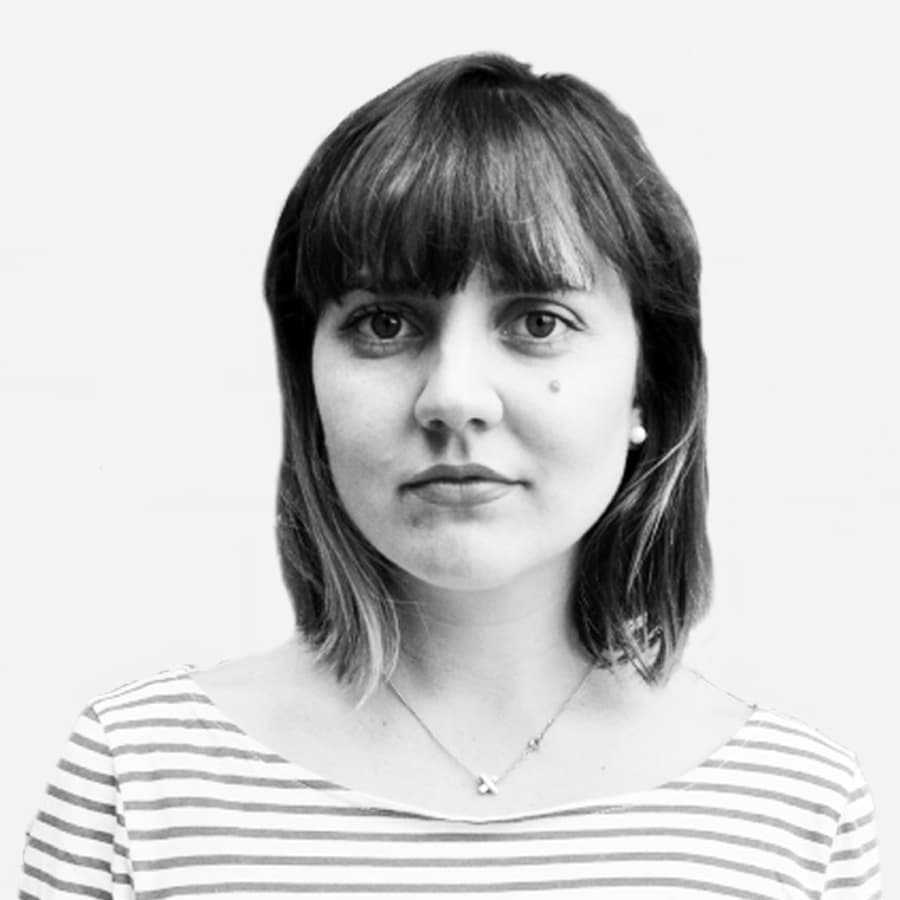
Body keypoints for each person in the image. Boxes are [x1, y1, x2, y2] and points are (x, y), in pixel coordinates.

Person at [20, 52, 881, 899]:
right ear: (308, 381)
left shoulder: (799, 816)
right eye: (385, 322)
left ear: (646, 387)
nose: (454, 397)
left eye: (539, 320)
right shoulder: (134, 785)